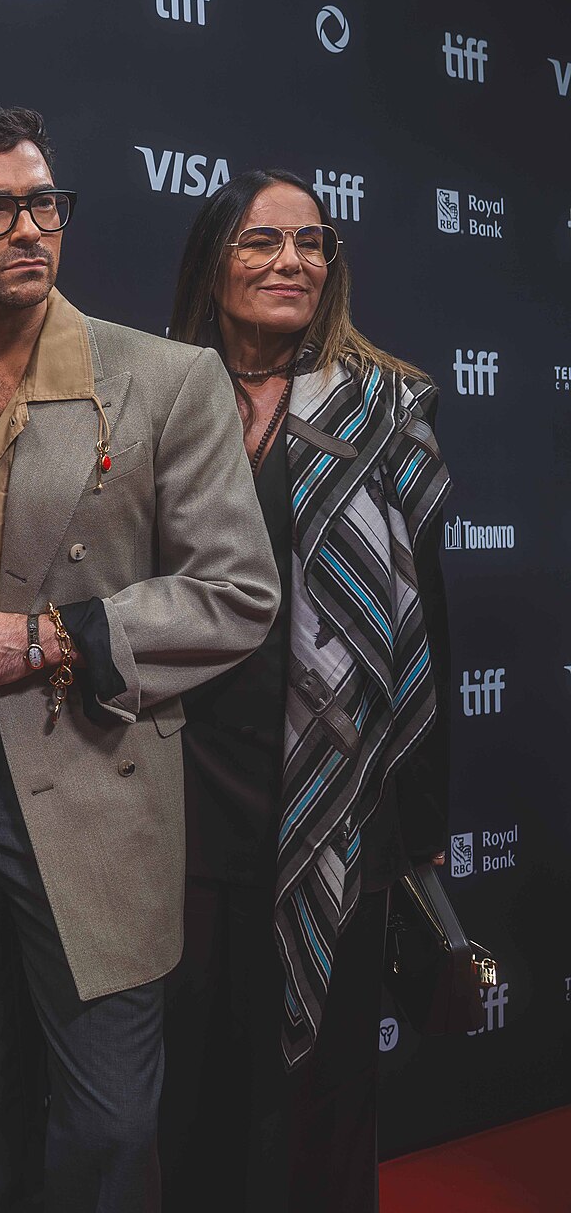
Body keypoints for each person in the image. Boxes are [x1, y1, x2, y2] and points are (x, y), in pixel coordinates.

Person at [0, 97, 281, 1212]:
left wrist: (44, 638)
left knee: (109, 1120)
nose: (30, 227)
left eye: (44, 202)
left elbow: (237, 592)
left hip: (96, 778)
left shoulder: (165, 379)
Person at [157, 170, 452, 1212]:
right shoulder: (159, 399)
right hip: (183, 799)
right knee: (187, 1089)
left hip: (338, 802)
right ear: (213, 262)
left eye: (313, 242)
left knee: (320, 1099)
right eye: (262, 241)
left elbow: (425, 628)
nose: (292, 260)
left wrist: (415, 834)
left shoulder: (381, 412)